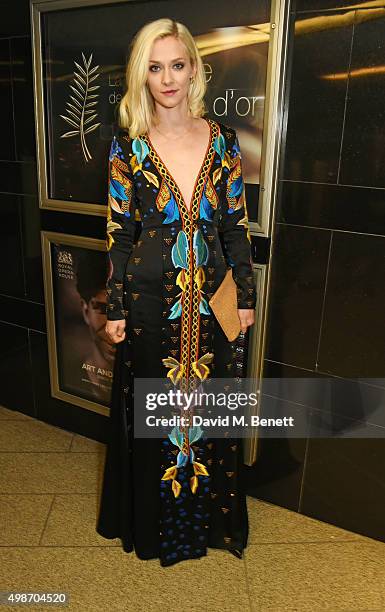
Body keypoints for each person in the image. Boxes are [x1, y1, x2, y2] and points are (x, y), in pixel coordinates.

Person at [96, 17, 257, 567]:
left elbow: (236, 225)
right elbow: (120, 235)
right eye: (155, 67)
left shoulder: (225, 141)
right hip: (147, 305)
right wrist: (115, 307)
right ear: (143, 76)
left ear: (194, 69)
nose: (167, 78)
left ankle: (206, 527)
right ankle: (156, 530)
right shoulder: (129, 147)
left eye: (177, 65)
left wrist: (247, 296)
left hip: (213, 303)